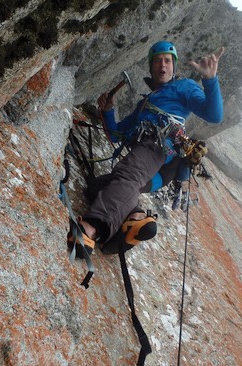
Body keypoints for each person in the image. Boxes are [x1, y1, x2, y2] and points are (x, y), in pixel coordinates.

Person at [68, 40, 224, 256]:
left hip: (158, 149)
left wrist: (210, 79)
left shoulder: (183, 87)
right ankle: (135, 220)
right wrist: (108, 111)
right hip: (158, 170)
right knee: (96, 188)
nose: (163, 65)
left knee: (126, 178)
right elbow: (116, 134)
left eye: (168, 61)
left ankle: (91, 229)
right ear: (151, 67)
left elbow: (214, 115)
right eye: (158, 61)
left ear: (173, 66)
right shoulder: (145, 104)